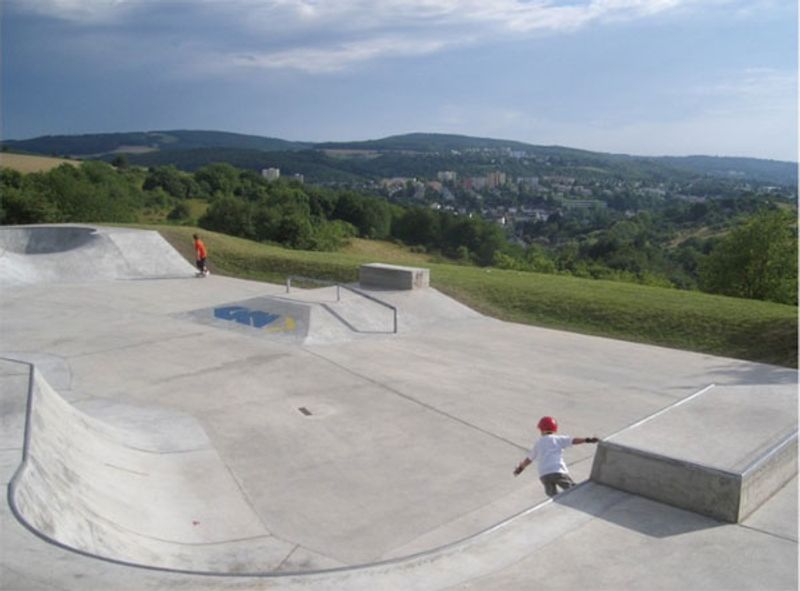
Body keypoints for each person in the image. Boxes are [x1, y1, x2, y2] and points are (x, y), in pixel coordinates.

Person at [513, 416, 599, 497]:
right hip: (557, 471)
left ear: (541, 430)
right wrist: (587, 440)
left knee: (554, 497)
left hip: (544, 475)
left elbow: (529, 459)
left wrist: (520, 468)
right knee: (572, 491)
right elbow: (573, 440)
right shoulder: (558, 439)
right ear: (555, 429)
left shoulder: (538, 443)